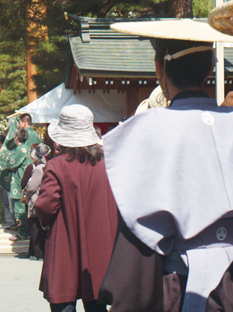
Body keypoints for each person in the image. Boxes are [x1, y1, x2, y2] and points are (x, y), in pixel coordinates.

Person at [96, 19, 233, 312]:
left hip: (181, 285)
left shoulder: (145, 130)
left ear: (160, 69)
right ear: (210, 68)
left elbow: (138, 228)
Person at [35, 105, 118, 312]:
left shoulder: (57, 165)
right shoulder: (106, 164)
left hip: (65, 244)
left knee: (64, 303)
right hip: (100, 246)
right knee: (97, 306)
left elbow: (45, 206)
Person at [21, 143, 50, 261]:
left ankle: (37, 253)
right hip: (43, 199)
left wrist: (26, 196)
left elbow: (32, 187)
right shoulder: (47, 166)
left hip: (35, 199)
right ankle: (35, 252)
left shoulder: (38, 169)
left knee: (34, 227)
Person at [7, 128, 32, 242]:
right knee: (24, 209)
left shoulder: (19, 150)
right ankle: (24, 230)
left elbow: (10, 164)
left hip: (18, 182)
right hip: (27, 181)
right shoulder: (28, 148)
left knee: (19, 208)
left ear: (16, 138)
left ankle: (22, 232)